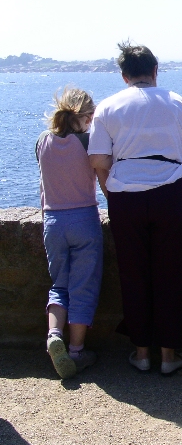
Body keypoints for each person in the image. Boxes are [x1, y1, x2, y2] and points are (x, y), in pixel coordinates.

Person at [88, 42, 182, 375]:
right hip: (170, 193)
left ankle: (142, 353)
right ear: (155, 71)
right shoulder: (176, 102)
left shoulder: (107, 107)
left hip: (125, 197)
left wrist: (112, 194)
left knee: (133, 273)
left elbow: (99, 161)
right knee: (171, 273)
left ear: (124, 75)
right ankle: (169, 356)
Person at [36, 87, 102, 379]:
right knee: (83, 287)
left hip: (52, 221)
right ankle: (76, 352)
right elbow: (104, 177)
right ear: (87, 116)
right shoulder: (88, 142)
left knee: (59, 285)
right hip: (84, 220)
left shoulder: (42, 141)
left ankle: (54, 335)